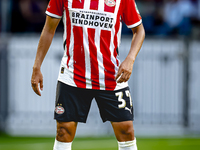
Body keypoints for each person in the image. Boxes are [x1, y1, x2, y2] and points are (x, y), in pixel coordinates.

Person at [31, 0, 145, 150]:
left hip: (111, 76)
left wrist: (130, 59)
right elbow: (49, 29)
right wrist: (36, 66)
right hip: (73, 75)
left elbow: (139, 30)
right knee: (63, 131)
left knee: (126, 130)